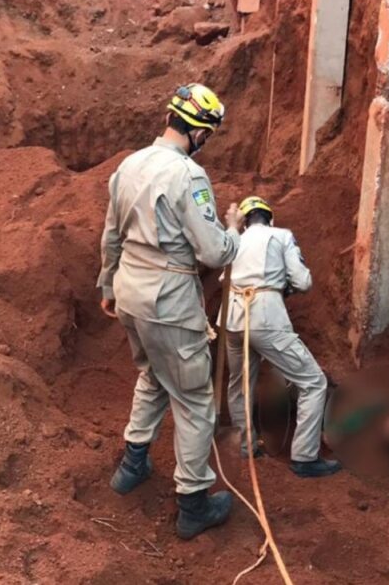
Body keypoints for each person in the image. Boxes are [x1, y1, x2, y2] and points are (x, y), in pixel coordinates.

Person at [97, 83, 242, 540]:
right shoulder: (189, 176)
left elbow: (111, 235)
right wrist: (235, 231)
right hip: (168, 300)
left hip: (129, 293)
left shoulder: (129, 164)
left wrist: (106, 284)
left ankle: (132, 464)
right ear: (199, 133)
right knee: (196, 400)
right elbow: (215, 252)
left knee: (153, 376)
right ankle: (193, 502)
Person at [223, 196, 342, 478]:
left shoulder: (234, 241)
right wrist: (282, 286)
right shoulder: (281, 235)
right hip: (265, 316)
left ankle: (245, 444)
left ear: (244, 221)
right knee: (314, 382)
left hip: (231, 318)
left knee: (240, 383)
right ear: (270, 218)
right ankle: (304, 456)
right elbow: (303, 281)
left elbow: (225, 278)